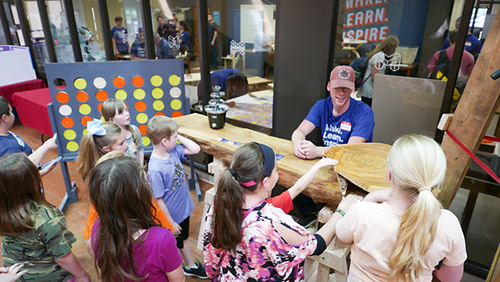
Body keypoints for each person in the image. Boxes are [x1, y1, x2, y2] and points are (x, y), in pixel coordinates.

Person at [202, 142, 361, 280]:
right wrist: (341, 211)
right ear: (265, 182)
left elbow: (293, 191)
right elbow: (316, 245)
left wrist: (317, 166)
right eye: (276, 171)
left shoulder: (221, 202)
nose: (277, 174)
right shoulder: (271, 223)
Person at [336, 134, 467, 281]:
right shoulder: (448, 224)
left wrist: (371, 197)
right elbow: (450, 279)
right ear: (436, 181)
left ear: (390, 175)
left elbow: (342, 237)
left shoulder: (363, 213)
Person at [87, 155, 184, 281]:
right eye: (145, 180)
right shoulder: (161, 240)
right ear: (138, 193)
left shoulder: (98, 227)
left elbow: (90, 247)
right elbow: (178, 279)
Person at [0, 153, 90, 281]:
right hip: (49, 275)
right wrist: (83, 275)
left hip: (14, 273)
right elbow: (63, 258)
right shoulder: (45, 219)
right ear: (33, 182)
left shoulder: (4, 208)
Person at [146, 115, 207, 279]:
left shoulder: (171, 150)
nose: (177, 139)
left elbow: (195, 149)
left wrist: (176, 135)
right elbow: (158, 200)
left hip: (183, 208)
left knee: (183, 239)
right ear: (164, 141)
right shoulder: (155, 169)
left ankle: (190, 265)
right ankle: (188, 266)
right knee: (179, 241)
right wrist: (171, 222)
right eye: (175, 137)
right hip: (173, 216)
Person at [292, 65, 374, 160]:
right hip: (330, 161)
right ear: (329, 86)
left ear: (353, 89)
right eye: (337, 87)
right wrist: (298, 143)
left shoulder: (364, 113)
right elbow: (300, 131)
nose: (341, 93)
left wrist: (318, 151)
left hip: (354, 165)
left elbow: (350, 149)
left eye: (346, 88)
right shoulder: (322, 106)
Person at [0, 97, 59, 176]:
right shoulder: (10, 148)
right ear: (5, 118)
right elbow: (20, 175)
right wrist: (46, 146)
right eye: (11, 111)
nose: (12, 113)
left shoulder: (5, 134)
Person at [357, 35, 399, 107]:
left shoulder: (377, 53)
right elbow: (374, 75)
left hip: (368, 88)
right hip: (370, 90)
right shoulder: (380, 56)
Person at [102, 98, 144, 165]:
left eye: (126, 110)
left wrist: (141, 167)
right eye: (121, 113)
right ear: (111, 119)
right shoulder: (109, 137)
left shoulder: (134, 129)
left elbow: (140, 148)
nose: (127, 114)